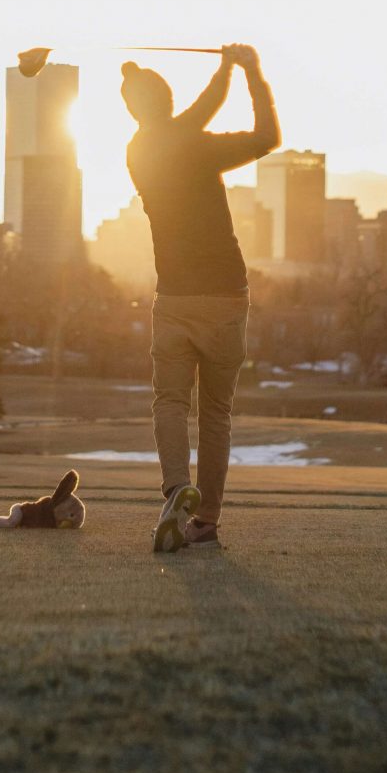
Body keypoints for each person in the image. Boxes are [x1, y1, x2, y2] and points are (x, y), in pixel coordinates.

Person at [122, 42, 278, 553]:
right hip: (226, 297)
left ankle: (174, 491)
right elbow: (267, 137)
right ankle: (205, 522)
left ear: (132, 109)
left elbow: (199, 111)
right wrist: (245, 69)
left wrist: (226, 70)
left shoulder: (138, 152)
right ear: (168, 102)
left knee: (169, 400)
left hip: (174, 299)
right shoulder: (196, 143)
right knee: (215, 413)